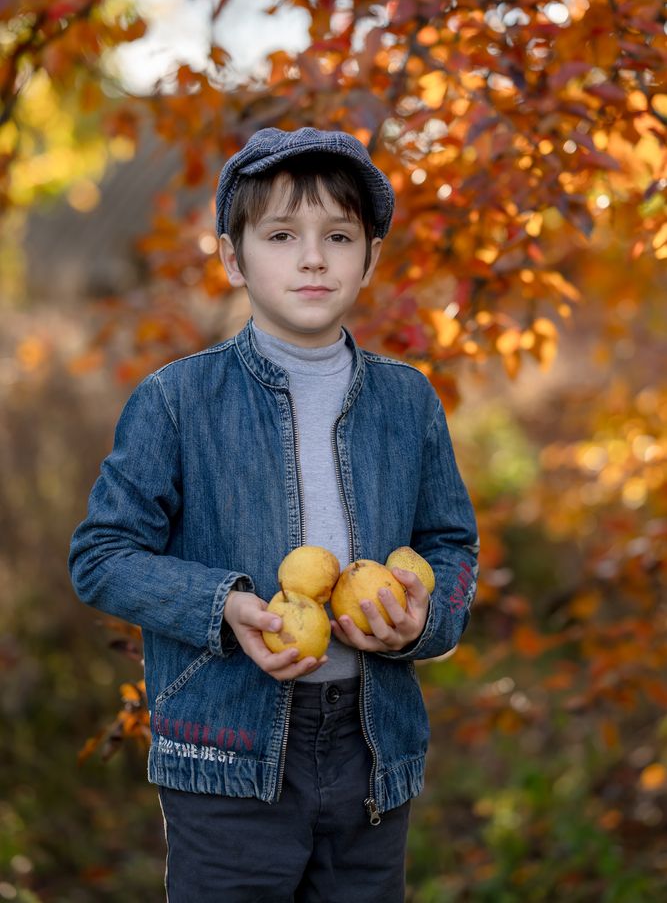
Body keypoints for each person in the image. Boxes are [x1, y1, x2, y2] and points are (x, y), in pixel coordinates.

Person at [68, 126, 479, 902]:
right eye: (282, 235)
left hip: (371, 752)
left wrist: (423, 622)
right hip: (226, 750)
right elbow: (102, 556)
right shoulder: (177, 400)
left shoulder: (408, 401)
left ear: (371, 258)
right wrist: (222, 606)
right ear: (233, 258)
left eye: (338, 236)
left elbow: (451, 546)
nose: (313, 257)